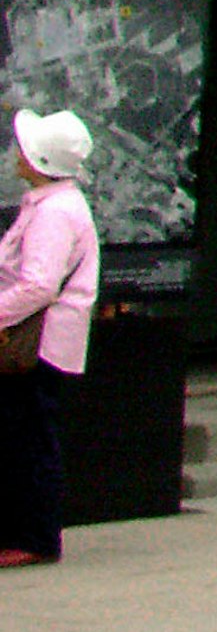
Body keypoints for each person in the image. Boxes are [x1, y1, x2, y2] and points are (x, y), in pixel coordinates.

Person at [0, 109, 99, 568]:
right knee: (23, 436)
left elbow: (39, 285)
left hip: (35, 345)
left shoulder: (54, 212)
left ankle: (34, 536)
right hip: (39, 343)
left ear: (39, 160)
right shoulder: (51, 203)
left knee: (28, 440)